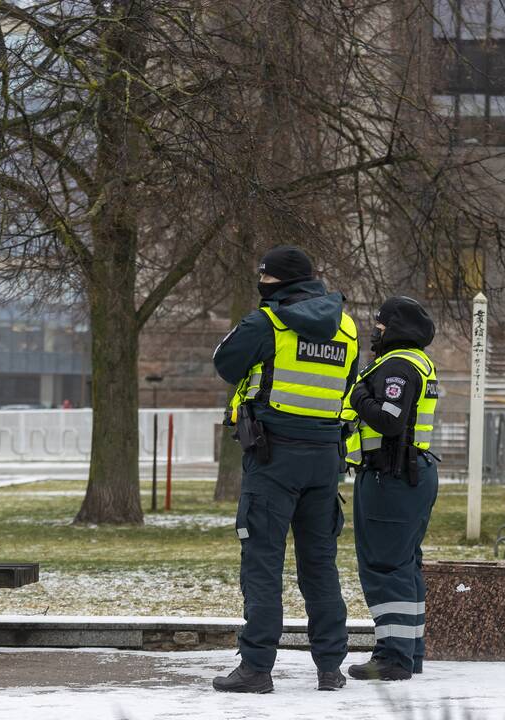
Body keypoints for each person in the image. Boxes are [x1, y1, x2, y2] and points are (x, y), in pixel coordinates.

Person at [210, 245, 359, 693]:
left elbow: (225, 363)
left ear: (275, 281)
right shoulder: (347, 328)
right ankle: (330, 668)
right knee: (320, 565)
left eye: (264, 277)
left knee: (262, 564)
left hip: (273, 459)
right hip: (323, 460)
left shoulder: (266, 323)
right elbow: (347, 384)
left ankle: (256, 667)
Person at [342, 296, 439, 682]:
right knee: (404, 565)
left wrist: (357, 394)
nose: (375, 331)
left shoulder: (397, 367)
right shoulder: (417, 363)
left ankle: (393, 658)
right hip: (410, 475)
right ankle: (409, 652)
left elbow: (389, 419)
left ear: (395, 328)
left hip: (392, 476)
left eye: (380, 325)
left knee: (385, 567)